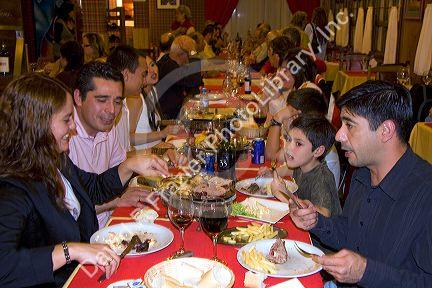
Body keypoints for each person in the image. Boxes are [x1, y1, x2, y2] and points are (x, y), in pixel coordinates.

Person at [0, 73, 169, 287]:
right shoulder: (11, 189)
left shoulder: (54, 160)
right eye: (66, 119)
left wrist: (129, 166)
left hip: (89, 273)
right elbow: (4, 266)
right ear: (38, 125)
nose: (73, 127)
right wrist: (71, 250)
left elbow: (91, 188)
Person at [289, 81, 432, 287]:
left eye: (350, 125)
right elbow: (351, 232)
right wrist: (317, 222)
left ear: (386, 131)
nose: (339, 135)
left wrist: (366, 272)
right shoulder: (363, 173)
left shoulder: (425, 195)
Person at [264, 88, 341, 189]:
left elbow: (272, 155)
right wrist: (274, 172)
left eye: (286, 113)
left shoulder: (314, 143)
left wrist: (277, 118)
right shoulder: (304, 139)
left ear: (296, 117)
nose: (284, 119)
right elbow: (280, 160)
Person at [271, 115, 341, 217]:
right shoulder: (302, 165)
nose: (288, 147)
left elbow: (324, 214)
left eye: (298, 144)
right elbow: (288, 170)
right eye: (289, 139)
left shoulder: (322, 178)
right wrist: (272, 173)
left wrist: (285, 194)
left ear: (317, 151)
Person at [127, 54, 184, 150]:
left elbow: (153, 122)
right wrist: (163, 133)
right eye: (146, 69)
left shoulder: (153, 91)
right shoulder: (135, 98)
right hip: (144, 156)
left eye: (153, 65)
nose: (152, 71)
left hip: (158, 149)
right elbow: (129, 138)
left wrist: (176, 122)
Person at [156, 35, 203, 119]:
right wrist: (194, 59)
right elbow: (195, 80)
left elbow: (195, 85)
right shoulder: (168, 67)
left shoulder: (169, 61)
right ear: (182, 54)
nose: (189, 58)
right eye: (189, 54)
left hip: (173, 111)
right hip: (167, 117)